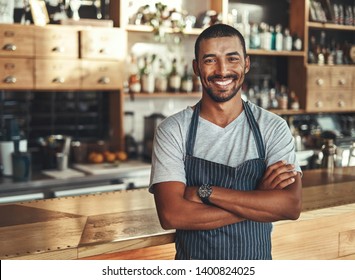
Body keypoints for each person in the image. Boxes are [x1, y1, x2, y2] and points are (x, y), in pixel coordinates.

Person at [149, 23, 302, 260]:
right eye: (210, 60)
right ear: (196, 68)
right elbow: (172, 215)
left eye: (232, 59)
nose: (222, 70)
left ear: (246, 64)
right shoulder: (173, 131)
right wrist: (258, 199)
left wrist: (205, 192)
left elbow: (290, 206)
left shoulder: (273, 127)